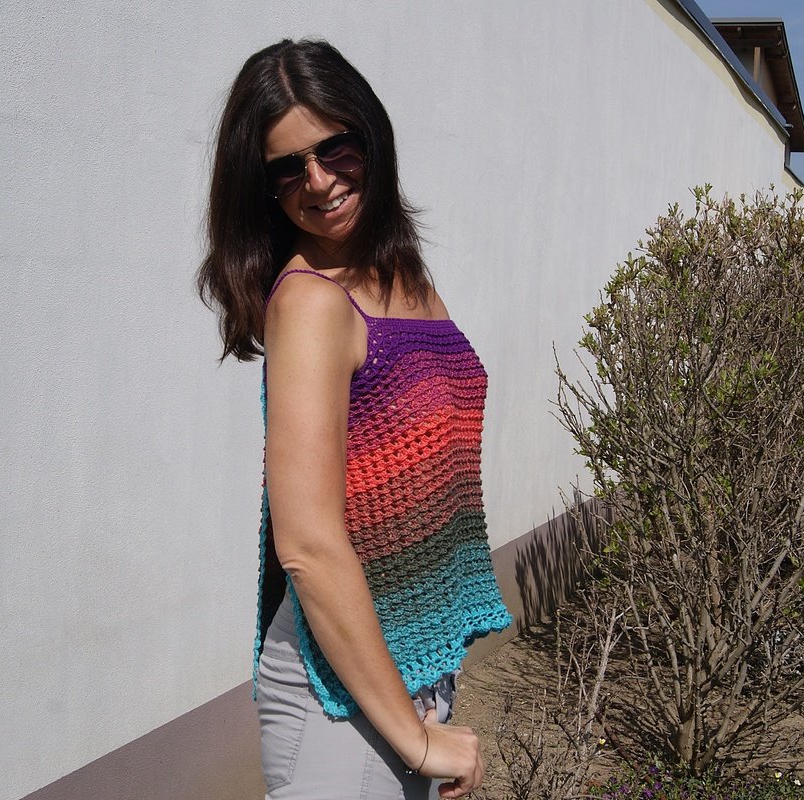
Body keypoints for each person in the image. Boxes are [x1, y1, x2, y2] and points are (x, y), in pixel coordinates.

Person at [197, 39, 512, 800]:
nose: (317, 181)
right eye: (286, 169)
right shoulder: (312, 303)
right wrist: (416, 738)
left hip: (400, 668)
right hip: (336, 703)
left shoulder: (401, 272)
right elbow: (307, 544)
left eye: (334, 148)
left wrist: (427, 707)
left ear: (370, 136)